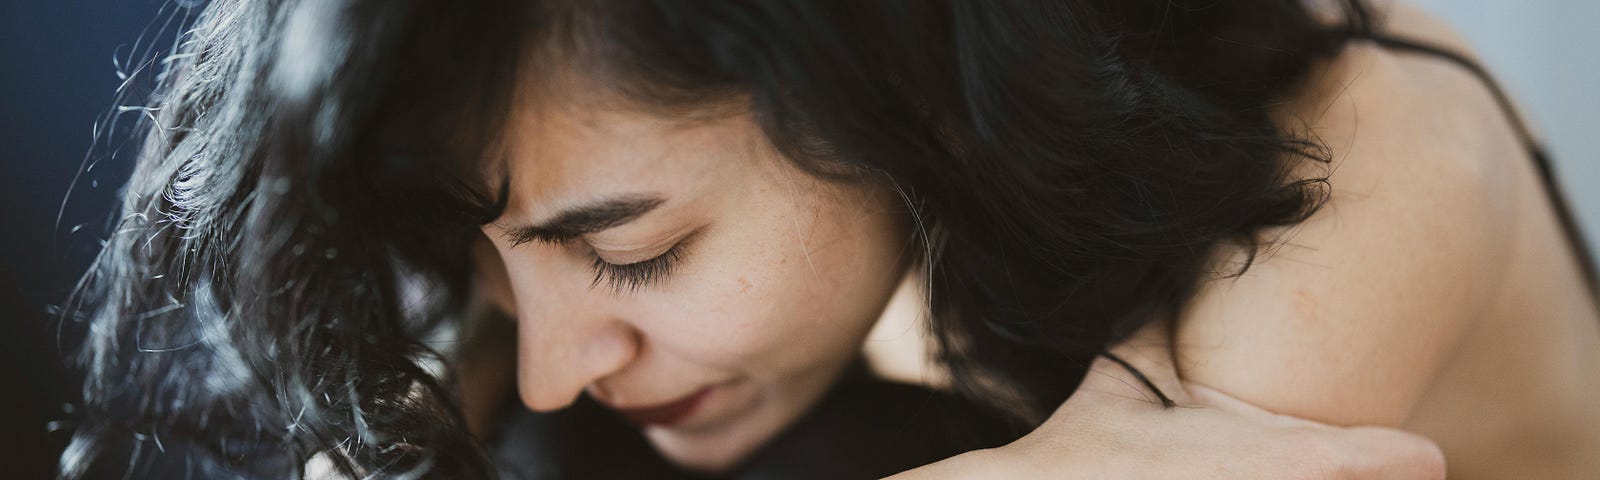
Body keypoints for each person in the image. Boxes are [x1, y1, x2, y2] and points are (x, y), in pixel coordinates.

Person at [59, 0, 1597, 478]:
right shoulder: (949, 204)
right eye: (485, 263)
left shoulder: (1357, 173)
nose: (554, 370)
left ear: (898, 84)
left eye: (637, 254)